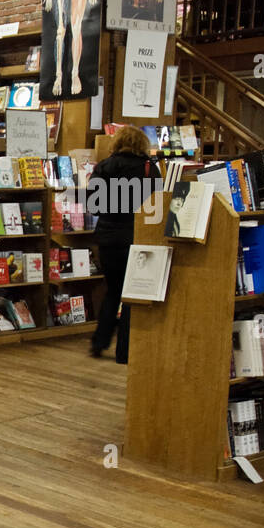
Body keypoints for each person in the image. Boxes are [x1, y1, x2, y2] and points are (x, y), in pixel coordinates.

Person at [89, 125, 155, 363]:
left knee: (113, 290)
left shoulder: (103, 167)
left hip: (107, 237)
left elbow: (93, 205)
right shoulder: (148, 169)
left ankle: (99, 341)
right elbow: (155, 205)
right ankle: (125, 350)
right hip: (136, 237)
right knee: (133, 293)